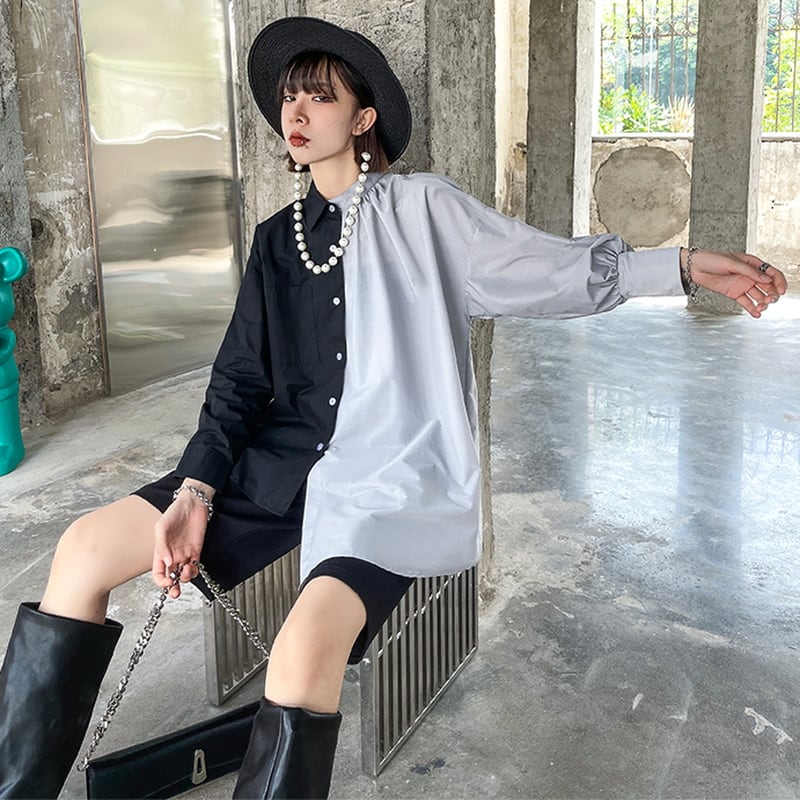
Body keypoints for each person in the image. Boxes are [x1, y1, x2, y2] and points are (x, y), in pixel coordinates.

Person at [0, 15, 787, 800]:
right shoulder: (277, 240)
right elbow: (239, 381)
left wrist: (681, 266)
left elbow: (547, 268)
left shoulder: (423, 209)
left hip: (389, 477)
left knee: (301, 654)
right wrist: (196, 490)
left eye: (320, 97)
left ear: (362, 119)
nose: (296, 112)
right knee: (83, 548)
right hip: (278, 467)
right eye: (288, 97)